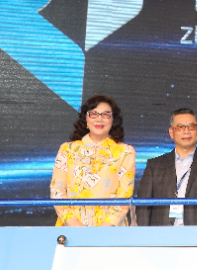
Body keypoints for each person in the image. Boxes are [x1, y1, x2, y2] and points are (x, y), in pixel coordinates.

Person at [50, 94, 136, 227]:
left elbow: (125, 193)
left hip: (111, 229)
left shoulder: (125, 152)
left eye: (106, 114)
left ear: (113, 119)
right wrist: (76, 226)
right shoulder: (67, 150)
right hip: (71, 227)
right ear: (85, 118)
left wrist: (104, 229)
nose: (99, 119)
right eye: (94, 114)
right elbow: (57, 190)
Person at [135, 108, 197, 226]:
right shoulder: (154, 166)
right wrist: (144, 235)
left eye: (191, 127)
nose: (186, 131)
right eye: (180, 127)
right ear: (171, 132)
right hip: (161, 233)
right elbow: (143, 208)